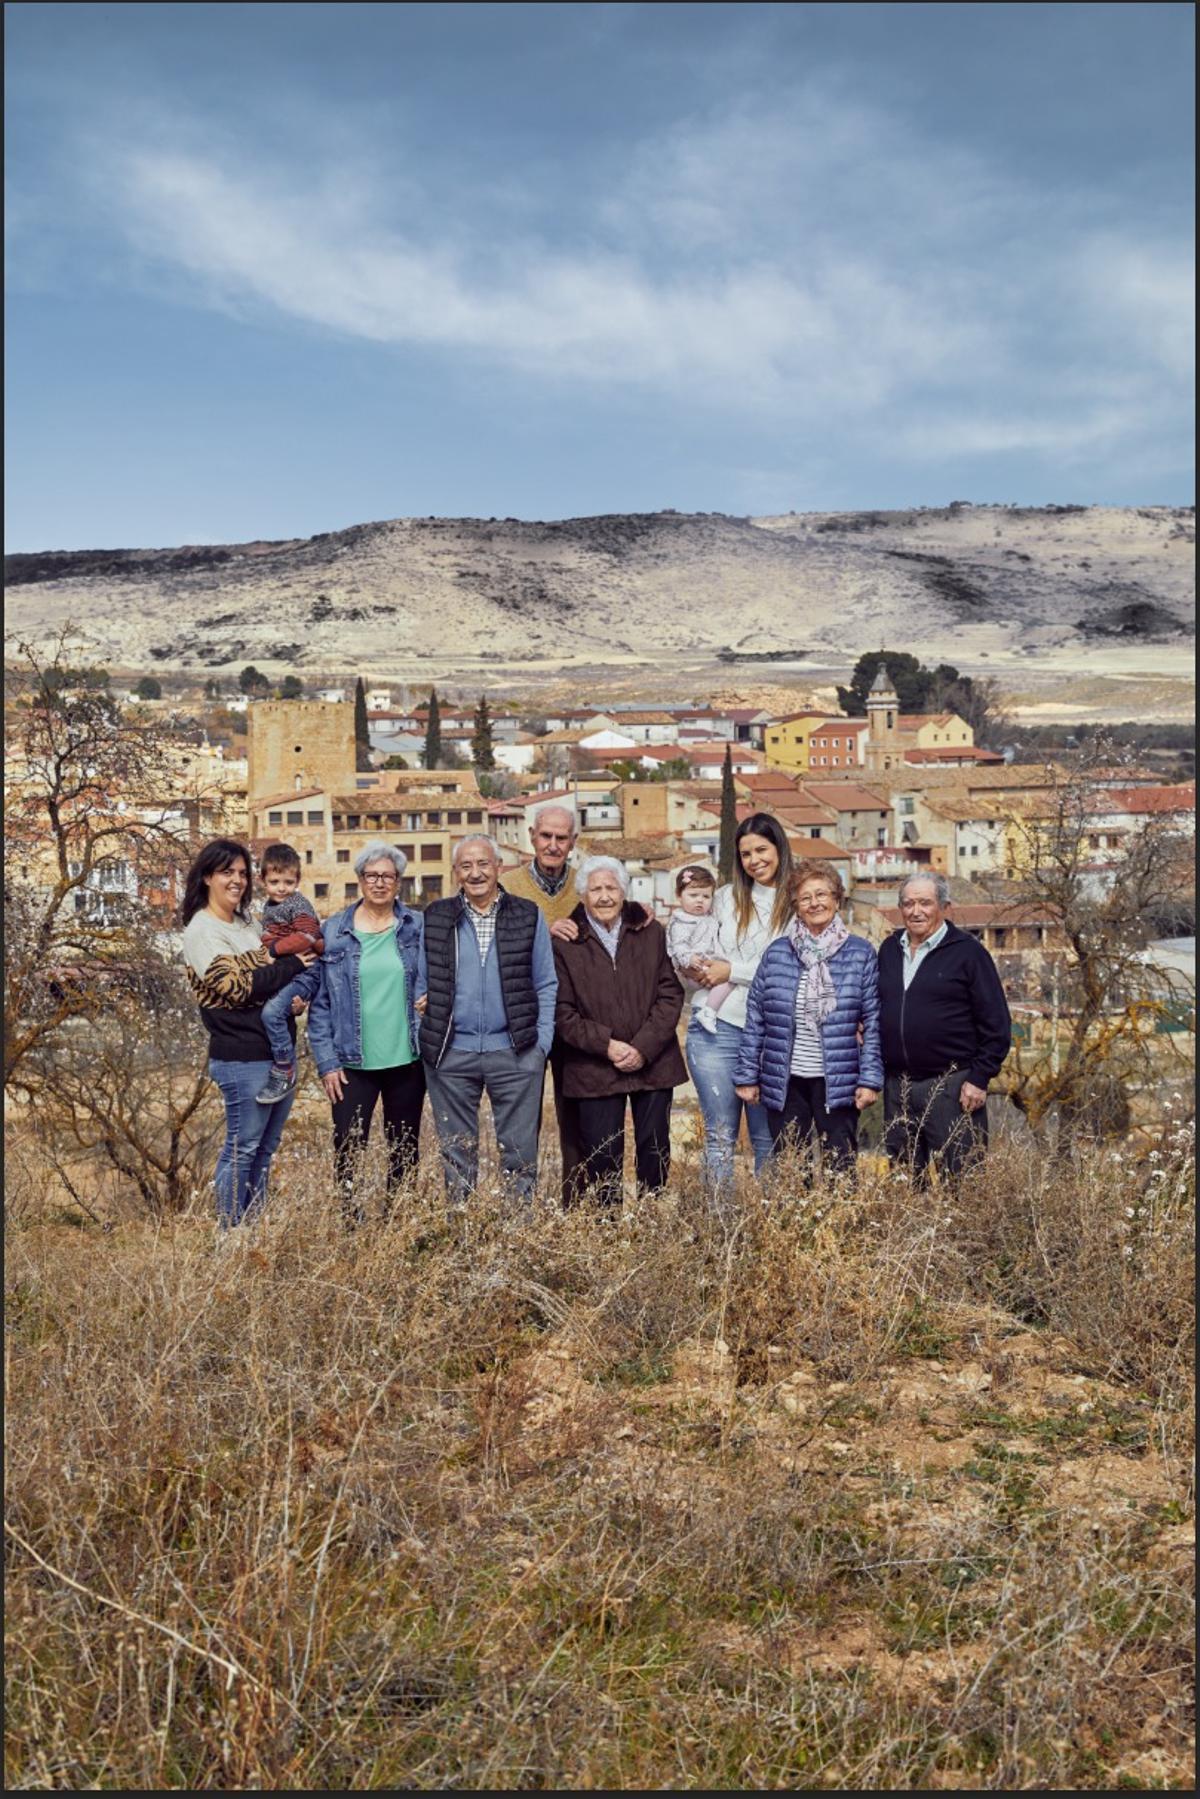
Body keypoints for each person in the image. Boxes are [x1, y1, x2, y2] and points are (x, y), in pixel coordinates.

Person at [181, 838, 317, 1228]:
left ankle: (253, 1232)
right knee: (242, 1149)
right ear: (207, 877)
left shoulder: (248, 923)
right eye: (227, 872)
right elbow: (236, 988)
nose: (237, 880)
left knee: (264, 1151)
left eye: (242, 873)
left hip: (277, 1055)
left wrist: (290, 993)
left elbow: (263, 980)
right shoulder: (202, 930)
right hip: (241, 1057)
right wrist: (291, 965)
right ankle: (230, 1235)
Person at [420, 835, 556, 1204]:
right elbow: (419, 981)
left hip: (515, 1052)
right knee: (456, 1154)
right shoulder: (437, 916)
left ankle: (517, 1238)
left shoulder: (527, 914)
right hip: (452, 1054)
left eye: (483, 864)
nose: (475, 873)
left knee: (519, 1154)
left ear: (499, 867)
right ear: (455, 873)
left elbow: (545, 982)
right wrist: (426, 1035)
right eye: (466, 866)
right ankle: (462, 1237)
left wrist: (540, 1046)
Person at [552, 856, 686, 1206]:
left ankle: (651, 1221)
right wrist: (608, 1046)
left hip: (653, 1062)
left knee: (654, 1150)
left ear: (624, 892)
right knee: (601, 1155)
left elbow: (670, 993)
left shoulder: (652, 932)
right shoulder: (565, 942)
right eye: (595, 889)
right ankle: (607, 1232)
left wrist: (641, 1047)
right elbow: (562, 1012)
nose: (604, 896)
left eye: (611, 887)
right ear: (582, 895)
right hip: (593, 1067)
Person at [734, 861, 882, 1173]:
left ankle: (841, 1222)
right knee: (791, 1167)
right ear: (796, 906)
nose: (815, 903)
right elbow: (756, 1017)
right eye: (805, 898)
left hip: (838, 1081)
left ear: (837, 899)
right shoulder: (777, 953)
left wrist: (870, 1080)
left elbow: (872, 1020)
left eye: (822, 894)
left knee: (839, 1166)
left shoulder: (860, 953)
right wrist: (747, 1075)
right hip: (786, 1081)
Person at [306, 843, 427, 1224]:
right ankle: (351, 1222)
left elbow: (439, 972)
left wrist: (433, 997)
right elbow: (320, 1004)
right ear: (359, 880)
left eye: (387, 877)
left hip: (407, 1059)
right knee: (348, 1146)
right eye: (371, 876)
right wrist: (326, 1062)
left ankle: (398, 1225)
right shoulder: (335, 931)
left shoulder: (416, 926)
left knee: (405, 1149)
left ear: (398, 883)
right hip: (351, 1062)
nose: (379, 883)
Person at [684, 813, 795, 1194]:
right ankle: (720, 1231)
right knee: (719, 1138)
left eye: (761, 849)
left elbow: (789, 968)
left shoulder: (798, 901)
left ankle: (770, 1230)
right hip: (715, 1030)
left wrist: (732, 969)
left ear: (779, 847)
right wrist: (696, 963)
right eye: (745, 853)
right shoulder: (726, 898)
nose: (754, 860)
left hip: (771, 1035)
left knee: (769, 1141)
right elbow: (698, 943)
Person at [878, 872, 1012, 1182]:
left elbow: (997, 1024)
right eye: (908, 903)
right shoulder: (888, 949)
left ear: (944, 907)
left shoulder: (968, 953)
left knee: (964, 1181)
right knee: (905, 1183)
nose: (916, 911)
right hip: (898, 1086)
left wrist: (980, 1077)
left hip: (952, 1086)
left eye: (925, 903)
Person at [501, 802, 586, 1203]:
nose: (553, 845)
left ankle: (576, 1206)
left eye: (561, 838)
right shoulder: (509, 884)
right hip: (523, 1016)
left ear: (574, 843)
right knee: (523, 1118)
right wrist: (542, 932)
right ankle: (521, 1204)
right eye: (546, 836)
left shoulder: (587, 885)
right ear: (531, 836)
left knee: (577, 1118)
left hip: (574, 1015)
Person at [256, 841, 326, 1105]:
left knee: (271, 1012)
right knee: (273, 1009)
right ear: (264, 880)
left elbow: (308, 935)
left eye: (288, 881)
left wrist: (274, 950)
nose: (281, 888)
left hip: (306, 972)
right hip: (291, 971)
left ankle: (285, 1067)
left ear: (297, 880)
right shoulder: (270, 907)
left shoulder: (297, 904)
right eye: (275, 882)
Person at [665, 864, 733, 1033]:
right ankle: (709, 1012)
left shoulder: (708, 916)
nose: (700, 900)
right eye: (693, 895)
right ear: (679, 896)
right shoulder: (682, 921)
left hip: (707, 960)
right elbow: (677, 946)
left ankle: (711, 1008)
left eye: (706, 896)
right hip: (693, 965)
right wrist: (689, 959)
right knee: (730, 980)